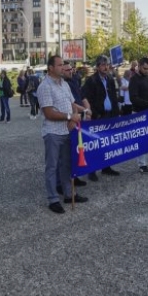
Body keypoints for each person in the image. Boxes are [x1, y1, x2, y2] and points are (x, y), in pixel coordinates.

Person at [37, 56, 88, 214]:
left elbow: (71, 103)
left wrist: (78, 113)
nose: (63, 68)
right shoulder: (45, 86)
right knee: (52, 167)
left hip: (67, 131)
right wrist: (69, 117)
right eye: (59, 65)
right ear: (51, 68)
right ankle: (53, 199)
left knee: (67, 165)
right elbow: (49, 112)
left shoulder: (64, 84)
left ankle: (68, 194)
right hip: (53, 133)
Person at [82, 55, 120, 178]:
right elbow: (84, 97)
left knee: (107, 143)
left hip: (109, 116)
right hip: (98, 117)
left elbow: (113, 97)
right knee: (95, 144)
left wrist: (116, 114)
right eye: (103, 65)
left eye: (107, 64)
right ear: (98, 67)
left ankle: (106, 167)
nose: (106, 67)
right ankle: (91, 171)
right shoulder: (91, 80)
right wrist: (94, 112)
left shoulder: (109, 78)